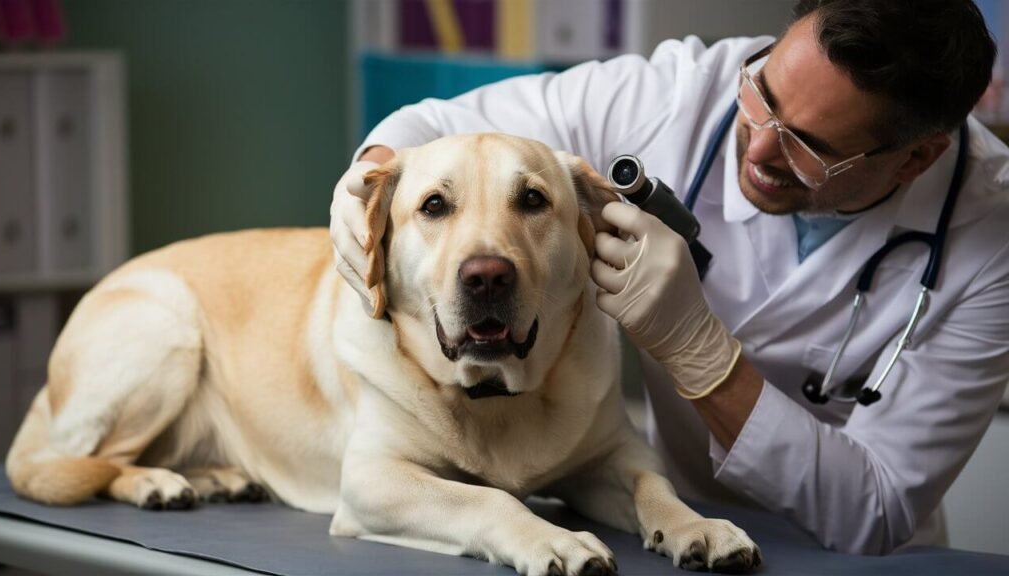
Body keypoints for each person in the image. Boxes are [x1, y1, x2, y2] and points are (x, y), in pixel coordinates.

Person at [329, 0, 1009, 555]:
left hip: (857, 559)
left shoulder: (991, 239)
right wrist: (366, 183)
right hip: (680, 522)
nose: (761, 147)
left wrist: (701, 357)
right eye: (763, 93)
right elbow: (436, 126)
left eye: (812, 147)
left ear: (916, 157)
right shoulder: (676, 91)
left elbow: (878, 506)